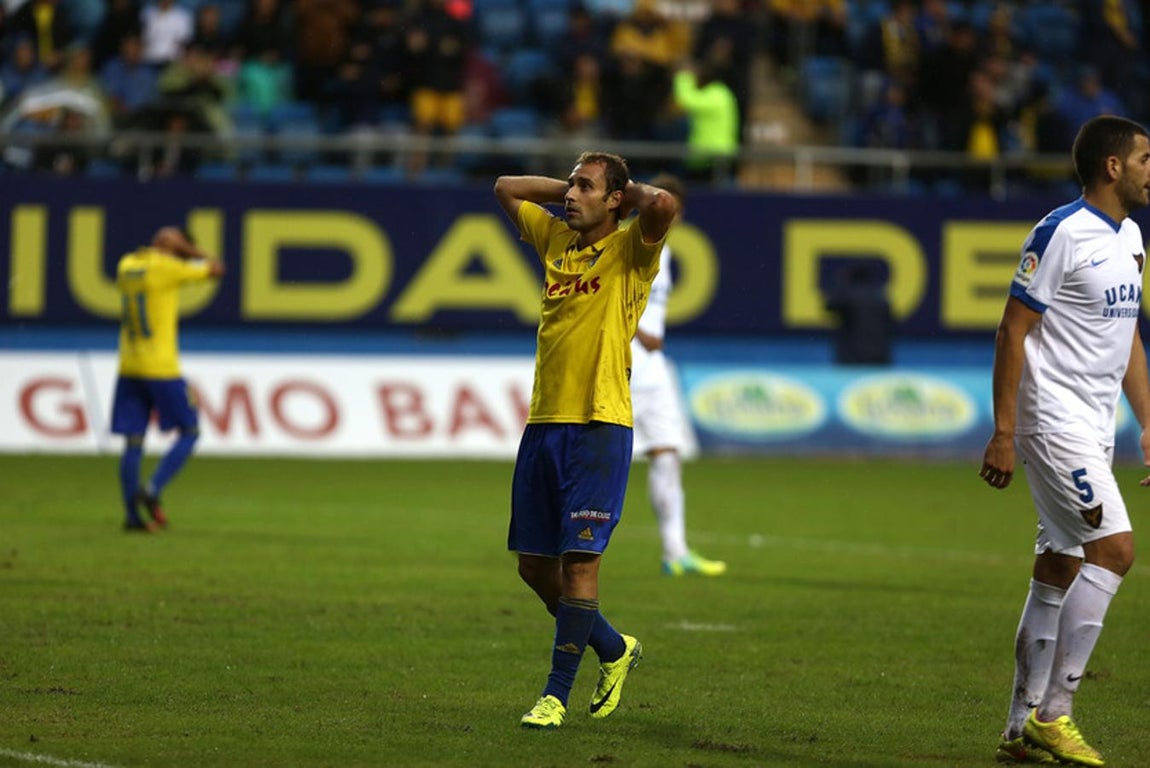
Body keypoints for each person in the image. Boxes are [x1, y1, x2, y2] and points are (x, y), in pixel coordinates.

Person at [980, 114, 1150, 766]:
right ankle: (1056, 714)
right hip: (1051, 422)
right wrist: (1004, 430)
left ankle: (1017, 730)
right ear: (1113, 167)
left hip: (1094, 425)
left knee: (1058, 568)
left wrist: (1147, 419)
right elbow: (1011, 330)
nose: (1149, 169)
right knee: (1115, 549)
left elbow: (1127, 335)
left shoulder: (1132, 238)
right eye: (1143, 158)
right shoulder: (1059, 234)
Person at [493, 151, 678, 729]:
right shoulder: (555, 241)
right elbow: (505, 186)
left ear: (616, 200)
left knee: (578, 566)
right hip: (545, 422)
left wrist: (620, 192)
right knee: (532, 567)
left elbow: (664, 204)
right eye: (569, 186)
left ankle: (554, 696)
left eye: (585, 187)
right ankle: (615, 649)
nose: (569, 195)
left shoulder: (630, 251)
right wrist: (577, 187)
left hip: (600, 424)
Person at [630, 173, 726, 577]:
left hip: (654, 370)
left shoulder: (665, 251)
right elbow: (600, 294)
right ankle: (548, 541)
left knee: (667, 455)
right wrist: (638, 329)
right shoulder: (629, 242)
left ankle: (676, 552)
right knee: (591, 458)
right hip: (623, 360)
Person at [111, 226, 225, 532]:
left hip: (129, 365)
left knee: (133, 441)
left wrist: (164, 246)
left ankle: (132, 519)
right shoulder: (168, 268)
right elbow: (216, 269)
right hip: (161, 367)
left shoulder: (127, 265)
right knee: (190, 430)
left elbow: (143, 262)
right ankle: (152, 489)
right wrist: (190, 251)